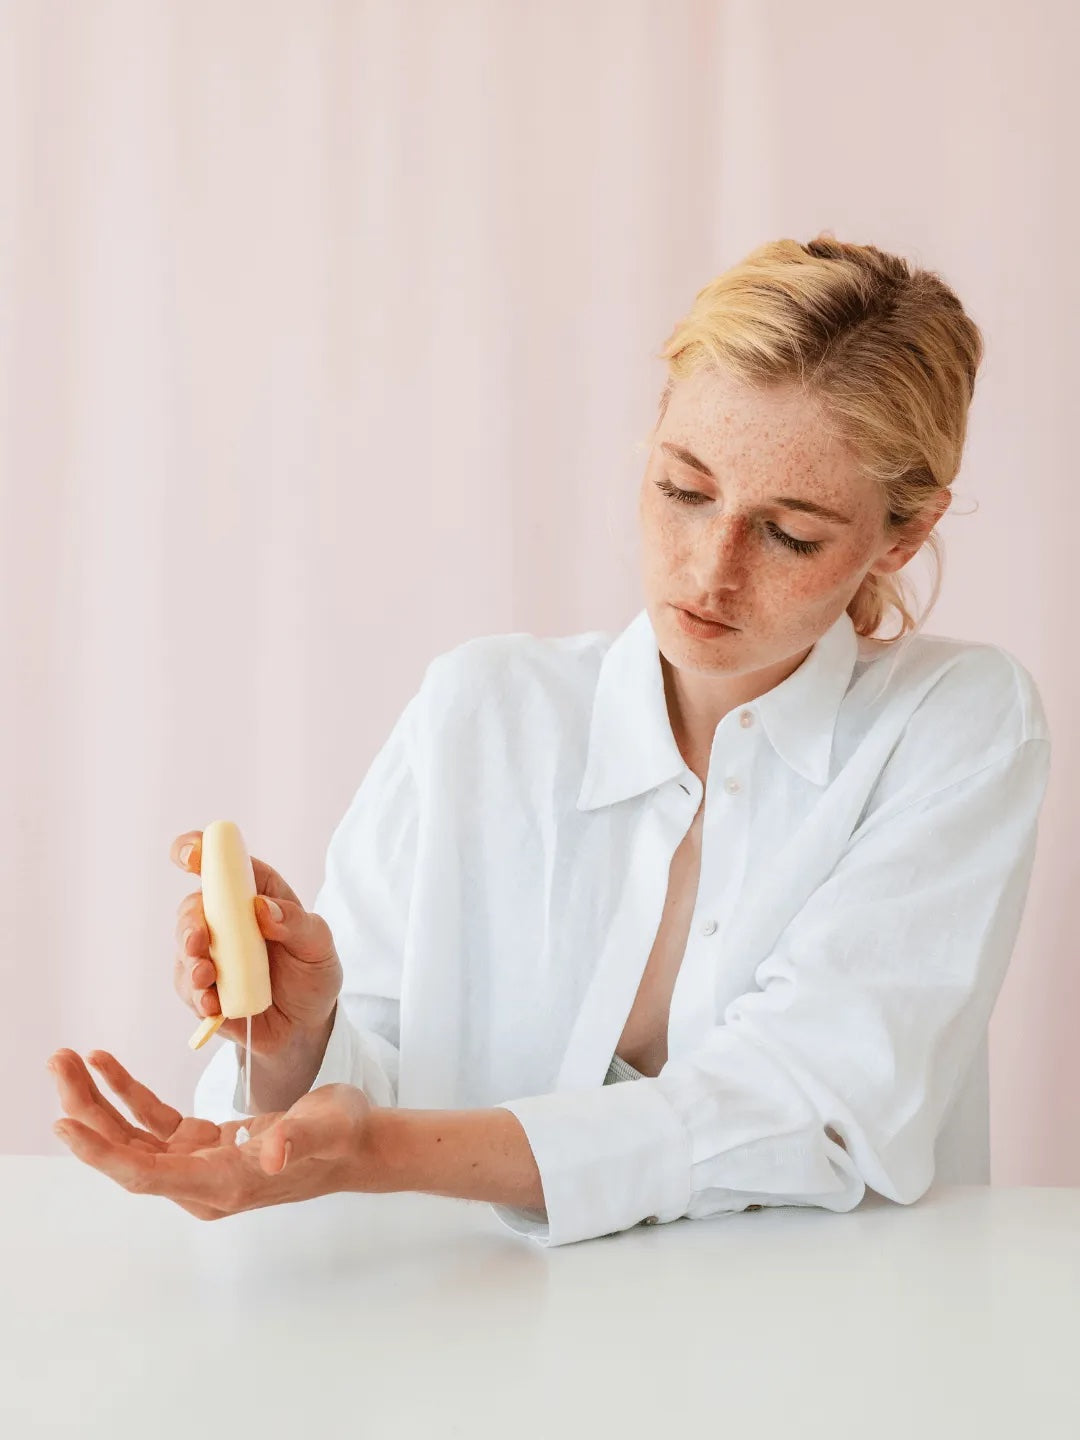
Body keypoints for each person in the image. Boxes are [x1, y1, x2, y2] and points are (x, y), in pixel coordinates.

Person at [47, 234, 1051, 1247]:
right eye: (684, 490)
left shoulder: (955, 725)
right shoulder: (482, 711)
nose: (709, 570)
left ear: (902, 535)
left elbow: (819, 1107)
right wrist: (298, 1040)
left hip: (818, 1370)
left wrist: (375, 1150)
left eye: (790, 533)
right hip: (488, 1348)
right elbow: (375, 1089)